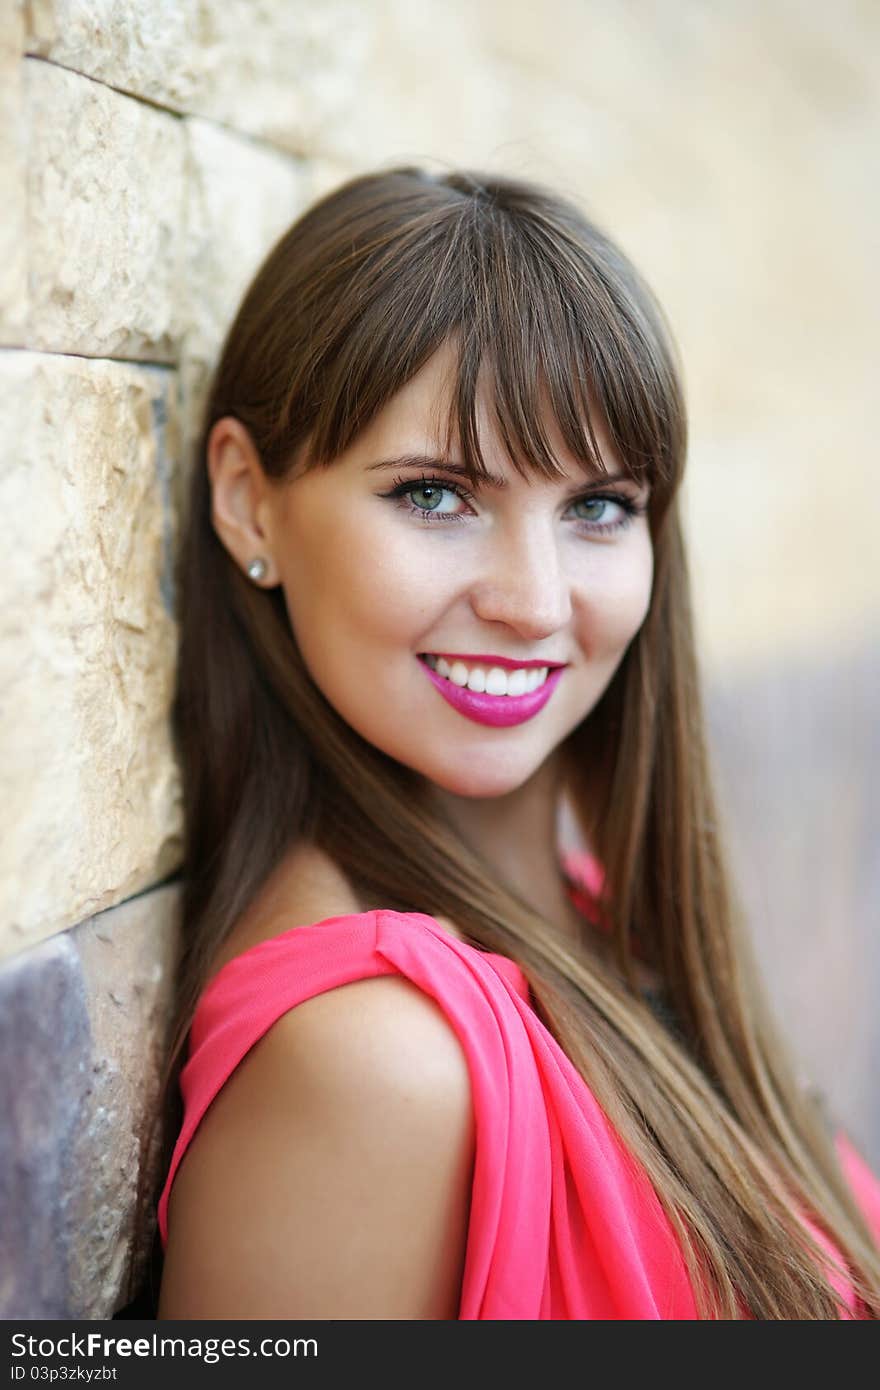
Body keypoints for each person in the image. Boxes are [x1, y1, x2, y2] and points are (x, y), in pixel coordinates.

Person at [153, 165, 880, 1319]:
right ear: (249, 500)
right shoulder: (373, 1058)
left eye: (597, 506)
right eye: (436, 494)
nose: (535, 602)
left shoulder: (591, 914)